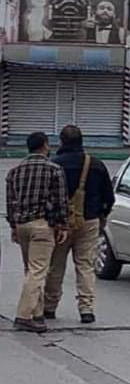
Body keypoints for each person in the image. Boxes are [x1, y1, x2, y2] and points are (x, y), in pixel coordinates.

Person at [43, 125, 115, 324]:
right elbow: (109, 197)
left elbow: (46, 196)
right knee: (85, 266)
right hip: (89, 220)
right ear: (82, 141)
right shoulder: (96, 165)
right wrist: (101, 217)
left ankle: (49, 307)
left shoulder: (54, 164)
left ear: (62, 142)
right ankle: (86, 309)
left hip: (60, 224)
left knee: (55, 266)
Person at [6, 132, 69, 332]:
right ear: (45, 146)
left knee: (31, 270)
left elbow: (11, 203)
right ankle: (24, 316)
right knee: (38, 270)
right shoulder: (54, 170)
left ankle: (37, 313)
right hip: (42, 225)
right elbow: (61, 201)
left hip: (22, 224)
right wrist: (62, 225)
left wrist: (13, 227)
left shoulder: (14, 171)